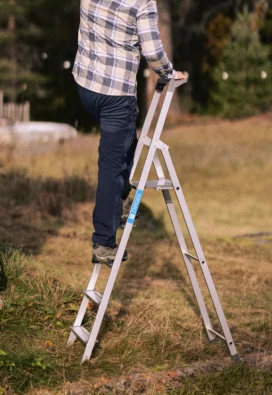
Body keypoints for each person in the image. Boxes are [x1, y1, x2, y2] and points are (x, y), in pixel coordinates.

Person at [73, 0, 186, 264]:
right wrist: (169, 72)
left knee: (125, 146)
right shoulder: (142, 2)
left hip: (85, 85)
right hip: (115, 94)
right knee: (112, 167)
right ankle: (104, 242)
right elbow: (153, 51)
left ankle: (120, 202)